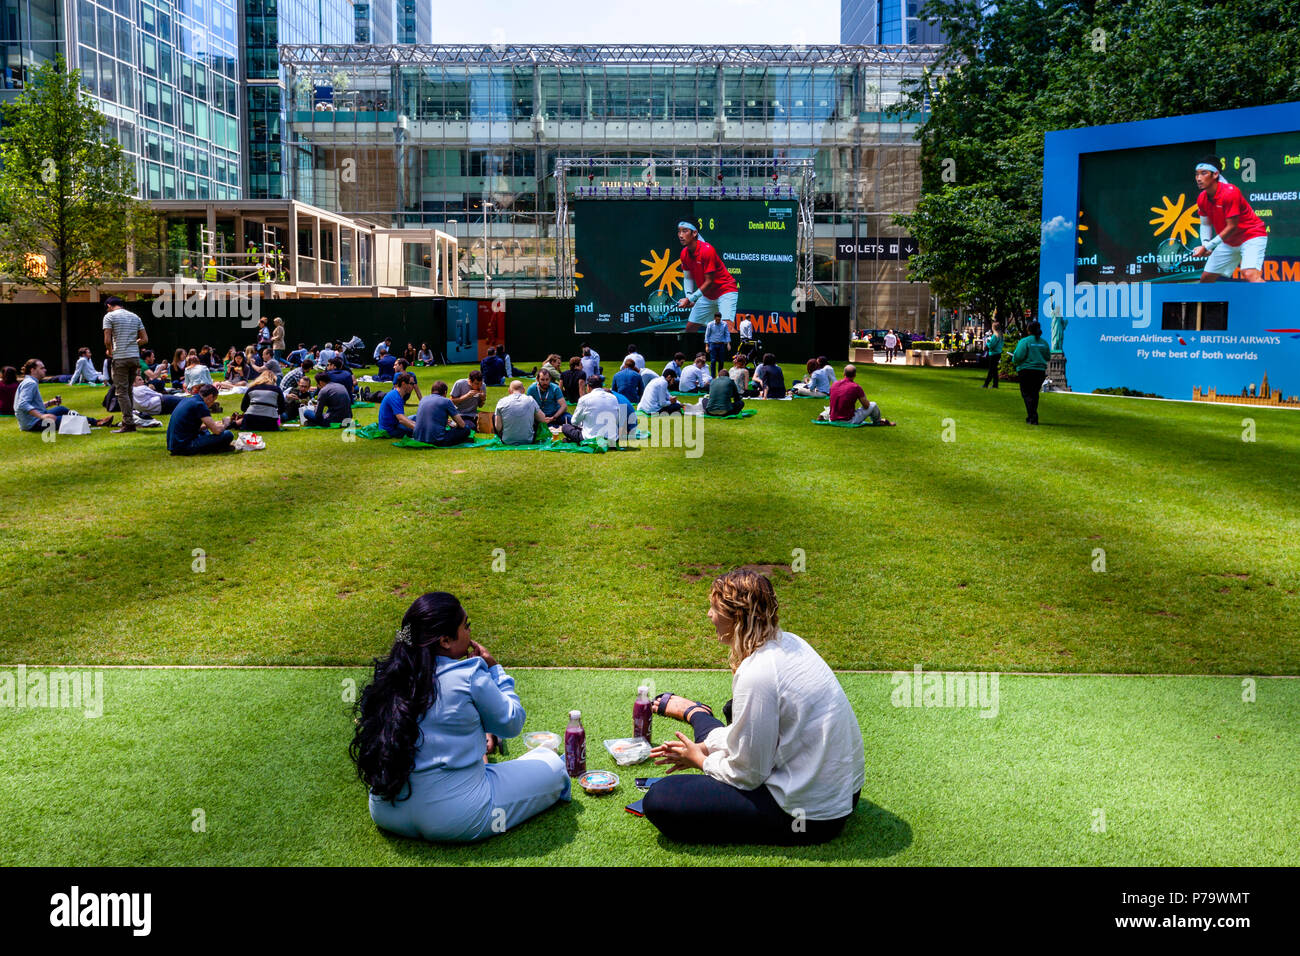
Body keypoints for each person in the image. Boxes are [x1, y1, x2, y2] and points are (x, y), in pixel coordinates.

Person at [643, 570, 865, 846]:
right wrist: (710, 745)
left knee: (661, 799)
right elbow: (753, 739)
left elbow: (749, 775)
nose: (709, 615)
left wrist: (700, 760)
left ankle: (698, 715)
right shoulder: (792, 641)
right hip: (844, 795)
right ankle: (697, 714)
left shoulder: (757, 672)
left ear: (737, 618)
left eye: (715, 609)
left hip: (811, 817)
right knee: (731, 710)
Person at [352, 592, 570, 843]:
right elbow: (512, 722)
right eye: (466, 626)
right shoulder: (470, 674)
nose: (469, 633)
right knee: (552, 765)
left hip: (387, 814)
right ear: (445, 640)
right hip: (458, 818)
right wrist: (495, 670)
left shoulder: (389, 676)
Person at [1192, 158, 1267, 283]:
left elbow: (1231, 227)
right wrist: (1205, 244)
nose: (1199, 178)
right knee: (1206, 279)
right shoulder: (1202, 198)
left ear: (1215, 174)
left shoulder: (1229, 193)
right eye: (1197, 174)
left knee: (1250, 274)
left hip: (1251, 235)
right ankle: (1212, 303)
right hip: (1228, 242)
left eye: (1204, 173)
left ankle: (1275, 302)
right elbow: (1205, 224)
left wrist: (1208, 246)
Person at [676, 220, 739, 356]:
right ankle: (692, 357)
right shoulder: (684, 253)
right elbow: (688, 277)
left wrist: (692, 298)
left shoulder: (707, 250)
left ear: (694, 233)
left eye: (685, 231)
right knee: (690, 328)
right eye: (679, 231)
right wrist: (689, 296)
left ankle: (740, 357)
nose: (681, 235)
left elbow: (709, 281)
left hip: (725, 290)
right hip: (707, 296)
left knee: (728, 328)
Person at [14, 359, 110, 431]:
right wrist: (42, 417)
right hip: (33, 423)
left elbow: (32, 405)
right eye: (42, 368)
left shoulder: (29, 381)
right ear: (32, 370)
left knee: (62, 409)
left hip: (31, 420)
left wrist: (50, 403)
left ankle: (96, 422)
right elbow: (23, 404)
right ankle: (93, 423)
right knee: (69, 420)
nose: (45, 370)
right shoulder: (30, 383)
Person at [103, 296, 147, 434]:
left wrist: (110, 351)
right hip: (134, 357)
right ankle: (130, 420)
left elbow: (107, 339)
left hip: (120, 357)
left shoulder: (109, 316)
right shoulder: (135, 316)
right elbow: (145, 339)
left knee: (121, 391)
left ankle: (128, 423)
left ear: (109, 305)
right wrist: (133, 344)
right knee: (129, 390)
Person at [166, 384, 240, 455]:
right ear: (210, 397)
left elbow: (190, 427)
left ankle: (218, 447)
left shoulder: (188, 400)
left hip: (174, 445)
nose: (212, 403)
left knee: (205, 431)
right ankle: (218, 447)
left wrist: (210, 425)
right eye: (214, 400)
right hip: (185, 446)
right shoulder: (200, 405)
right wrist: (226, 424)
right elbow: (217, 431)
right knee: (228, 434)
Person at [556, 372, 625, 443]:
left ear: (588, 387)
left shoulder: (585, 399)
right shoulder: (613, 398)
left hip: (590, 438)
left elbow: (574, 421)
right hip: (612, 439)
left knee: (565, 427)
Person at [1011, 320, 1051, 425]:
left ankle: (1033, 416)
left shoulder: (1025, 342)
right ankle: (1031, 416)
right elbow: (1047, 356)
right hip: (1040, 372)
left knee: (1026, 394)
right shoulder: (1044, 343)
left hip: (1026, 370)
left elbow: (1018, 356)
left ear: (1028, 330)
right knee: (1034, 394)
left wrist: (1015, 361)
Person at [827, 364, 894, 425]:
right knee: (873, 405)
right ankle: (878, 421)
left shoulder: (834, 384)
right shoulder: (856, 387)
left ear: (844, 373)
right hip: (848, 420)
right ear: (855, 375)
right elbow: (866, 406)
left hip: (832, 419)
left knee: (832, 407)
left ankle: (824, 415)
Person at [412, 382, 472, 446]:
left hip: (418, 438)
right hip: (437, 440)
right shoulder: (446, 401)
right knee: (466, 429)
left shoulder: (423, 399)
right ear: (445, 392)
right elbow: (462, 424)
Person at [494, 380, 546, 445]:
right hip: (528, 440)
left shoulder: (502, 402)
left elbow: (498, 427)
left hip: (507, 440)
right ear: (524, 390)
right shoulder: (530, 400)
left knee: (495, 416)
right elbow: (542, 418)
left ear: (509, 391)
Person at [377, 372, 418, 437]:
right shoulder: (395, 397)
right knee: (413, 429)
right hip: (391, 430)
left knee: (416, 417)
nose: (413, 386)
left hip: (394, 424)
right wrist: (418, 428)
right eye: (411, 384)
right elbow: (401, 420)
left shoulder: (397, 394)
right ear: (403, 384)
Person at [704, 313, 732, 378]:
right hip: (712, 344)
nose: (718, 321)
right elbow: (707, 335)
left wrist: (728, 344)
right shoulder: (710, 324)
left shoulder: (724, 324)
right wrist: (707, 346)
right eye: (717, 320)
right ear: (714, 318)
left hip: (721, 344)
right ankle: (713, 377)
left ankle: (720, 376)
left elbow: (727, 334)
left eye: (719, 319)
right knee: (713, 361)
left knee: (721, 361)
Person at [982, 323, 1003, 389]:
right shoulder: (1000, 335)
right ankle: (995, 384)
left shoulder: (995, 336)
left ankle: (986, 384)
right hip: (998, 353)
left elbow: (991, 345)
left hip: (993, 353)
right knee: (994, 370)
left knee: (991, 370)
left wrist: (987, 342)